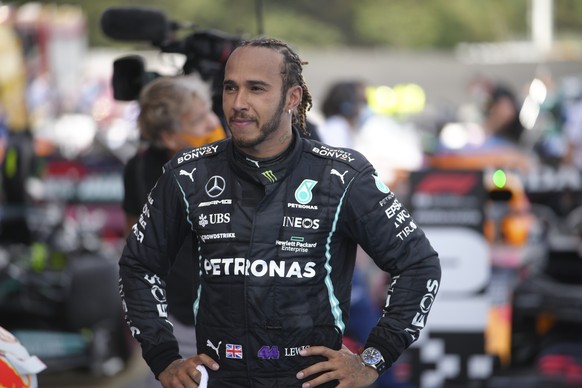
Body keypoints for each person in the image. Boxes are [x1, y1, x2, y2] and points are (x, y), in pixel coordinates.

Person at [118, 37, 441, 388]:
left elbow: (418, 264)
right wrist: (163, 358)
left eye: (256, 89)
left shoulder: (343, 176)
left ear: (292, 98)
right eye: (230, 88)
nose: (238, 103)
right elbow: (138, 265)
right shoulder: (188, 174)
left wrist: (373, 358)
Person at [121, 74, 225, 386]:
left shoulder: (234, 158)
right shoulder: (140, 170)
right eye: (197, 119)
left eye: (209, 110)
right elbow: (135, 249)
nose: (212, 123)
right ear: (168, 137)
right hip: (181, 315)